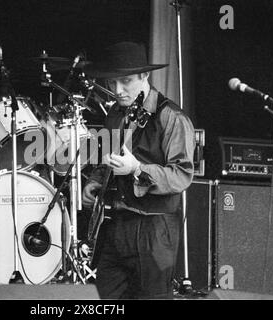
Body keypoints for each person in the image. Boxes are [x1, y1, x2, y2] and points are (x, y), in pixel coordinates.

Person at [82, 41, 195, 299]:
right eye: (112, 83)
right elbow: (107, 158)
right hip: (118, 225)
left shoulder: (172, 117)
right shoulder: (114, 113)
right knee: (99, 300)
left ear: (145, 75)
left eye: (126, 81)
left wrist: (136, 169)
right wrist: (95, 181)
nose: (117, 90)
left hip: (155, 229)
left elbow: (182, 176)